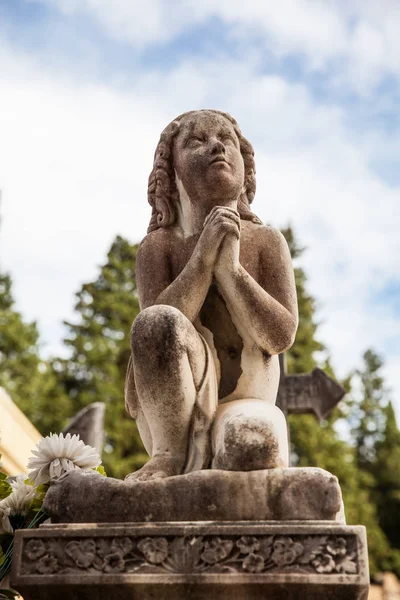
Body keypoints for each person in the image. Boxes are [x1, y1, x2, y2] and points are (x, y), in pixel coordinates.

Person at [125, 109, 298, 481]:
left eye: (226, 139)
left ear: (245, 167)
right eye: (196, 141)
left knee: (251, 445)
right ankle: (169, 457)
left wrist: (232, 272)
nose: (216, 145)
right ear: (172, 173)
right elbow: (154, 335)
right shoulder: (158, 247)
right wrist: (202, 260)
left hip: (247, 401)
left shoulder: (267, 242)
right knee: (156, 319)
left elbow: (280, 336)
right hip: (175, 414)